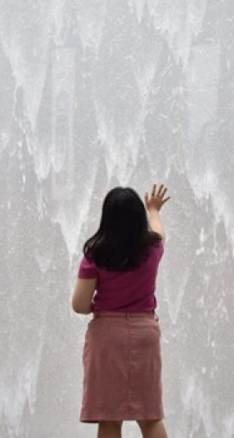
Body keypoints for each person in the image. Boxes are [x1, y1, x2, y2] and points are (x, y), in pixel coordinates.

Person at [72, 184, 171, 438]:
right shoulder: (153, 249)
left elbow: (79, 304)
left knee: (109, 418)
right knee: (150, 417)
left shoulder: (95, 255)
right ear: (138, 217)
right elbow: (158, 230)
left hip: (107, 336)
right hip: (145, 333)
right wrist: (154, 209)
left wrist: (104, 308)